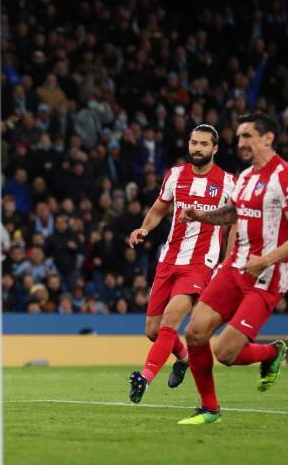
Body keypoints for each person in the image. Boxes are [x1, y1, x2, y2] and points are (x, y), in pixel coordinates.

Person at [176, 114, 288, 424]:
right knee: (195, 333)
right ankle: (209, 408)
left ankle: (271, 353)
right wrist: (200, 215)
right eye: (239, 137)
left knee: (225, 353)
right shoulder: (247, 176)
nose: (240, 143)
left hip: (265, 276)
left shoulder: (285, 176)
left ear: (267, 139)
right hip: (234, 268)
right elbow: (233, 213)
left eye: (247, 136)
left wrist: (266, 260)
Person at [127, 124, 236, 403]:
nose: (197, 148)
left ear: (215, 149)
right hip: (169, 259)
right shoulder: (175, 175)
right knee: (152, 330)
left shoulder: (227, 182)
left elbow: (235, 223)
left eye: (203, 144)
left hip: (200, 263)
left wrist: (227, 260)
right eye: (193, 143)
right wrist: (144, 229)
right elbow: (160, 208)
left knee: (171, 320)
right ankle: (184, 357)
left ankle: (145, 378)